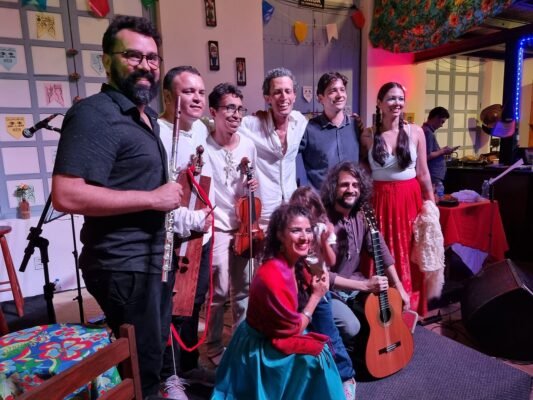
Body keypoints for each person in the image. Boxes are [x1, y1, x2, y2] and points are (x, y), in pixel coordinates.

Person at [51, 15, 183, 398]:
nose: (146, 66)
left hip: (151, 263)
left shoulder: (144, 118)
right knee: (141, 369)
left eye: (153, 58)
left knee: (152, 360)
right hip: (123, 265)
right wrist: (154, 199)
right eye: (133, 55)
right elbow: (67, 194)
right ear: (106, 60)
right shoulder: (94, 114)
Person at [212, 204, 345, 399]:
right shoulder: (274, 275)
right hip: (262, 350)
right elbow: (292, 329)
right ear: (280, 235)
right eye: (296, 230)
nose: (304, 237)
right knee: (319, 359)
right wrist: (316, 297)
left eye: (308, 230)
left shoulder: (291, 262)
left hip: (275, 335)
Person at [158, 66, 215, 399]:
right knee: (170, 308)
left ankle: (189, 364)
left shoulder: (199, 133)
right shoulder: (158, 134)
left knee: (193, 304)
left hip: (200, 238)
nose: (197, 98)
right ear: (168, 96)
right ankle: (170, 375)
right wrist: (193, 221)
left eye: (200, 92)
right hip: (174, 238)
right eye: (187, 91)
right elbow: (160, 195)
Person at [360, 82, 435, 316]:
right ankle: (381, 310)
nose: (397, 103)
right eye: (391, 99)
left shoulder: (416, 132)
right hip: (379, 200)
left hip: (409, 200)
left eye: (401, 99)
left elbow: (423, 173)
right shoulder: (368, 134)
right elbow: (363, 174)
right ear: (380, 103)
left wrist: (431, 206)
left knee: (409, 251)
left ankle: (409, 308)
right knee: (381, 251)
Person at [320, 162, 409, 346]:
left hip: (355, 285)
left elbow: (382, 251)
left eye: (355, 185)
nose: (350, 189)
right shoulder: (323, 222)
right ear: (333, 188)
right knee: (351, 326)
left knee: (388, 307)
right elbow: (323, 276)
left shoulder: (360, 216)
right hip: (328, 291)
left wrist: (399, 285)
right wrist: (366, 286)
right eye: (344, 184)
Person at [204, 83, 258, 367]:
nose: (236, 114)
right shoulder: (205, 145)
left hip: (244, 227)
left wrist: (252, 184)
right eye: (229, 108)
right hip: (218, 228)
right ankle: (213, 346)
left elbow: (252, 185)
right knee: (219, 291)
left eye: (239, 109)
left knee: (245, 288)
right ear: (213, 112)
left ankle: (240, 342)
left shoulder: (248, 144)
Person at [289, 187, 356, 400]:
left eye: (310, 212)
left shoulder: (321, 228)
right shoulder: (292, 228)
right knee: (299, 335)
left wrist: (326, 239)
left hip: (319, 287)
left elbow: (332, 261)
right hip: (299, 289)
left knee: (329, 334)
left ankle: (347, 377)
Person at [239, 67, 308, 229]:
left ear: (294, 96)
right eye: (277, 92)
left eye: (288, 91)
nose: (283, 97)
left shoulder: (300, 122)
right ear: (267, 98)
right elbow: (219, 123)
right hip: (263, 216)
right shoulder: (251, 125)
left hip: (291, 211)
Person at [299, 72, 362, 191]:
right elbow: (285, 156)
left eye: (342, 90)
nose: (339, 95)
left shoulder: (356, 126)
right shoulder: (308, 129)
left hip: (351, 201)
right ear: (320, 98)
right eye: (333, 91)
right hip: (321, 203)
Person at [422, 106, 454, 185]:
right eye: (442, 122)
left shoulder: (426, 130)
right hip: (433, 174)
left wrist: (442, 150)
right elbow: (426, 156)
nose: (441, 125)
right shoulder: (428, 132)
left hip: (433, 174)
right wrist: (443, 151)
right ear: (436, 118)